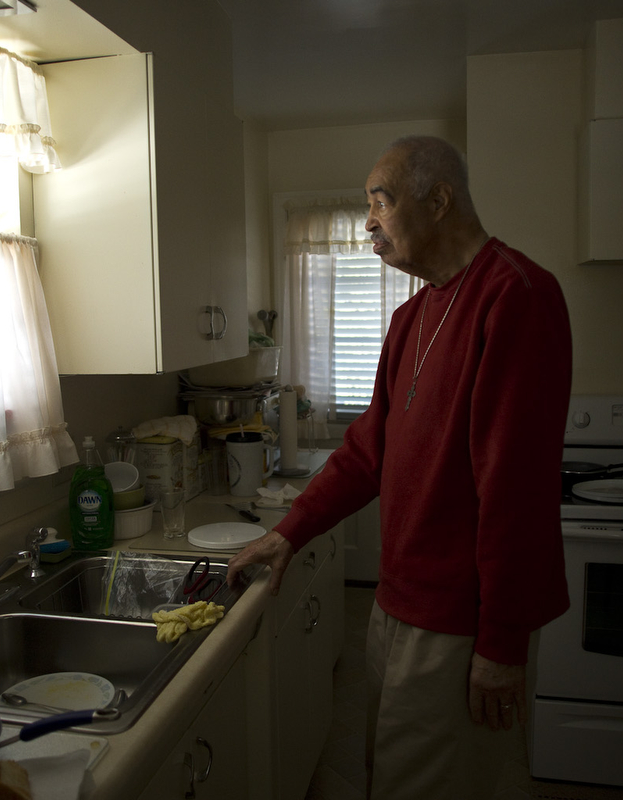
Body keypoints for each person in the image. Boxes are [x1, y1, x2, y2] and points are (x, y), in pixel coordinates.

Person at [226, 135, 572, 799]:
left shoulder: (517, 297)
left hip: (460, 621)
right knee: (389, 775)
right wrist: (288, 532)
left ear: (438, 200)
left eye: (380, 202)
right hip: (397, 605)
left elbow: (515, 490)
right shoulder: (410, 317)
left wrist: (500, 645)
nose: (368, 222)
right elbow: (367, 452)